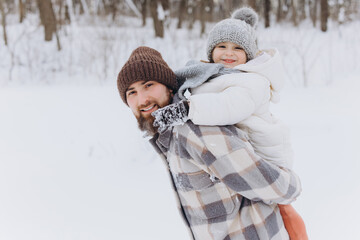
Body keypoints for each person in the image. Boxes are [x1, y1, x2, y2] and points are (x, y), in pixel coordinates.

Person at [151, 7, 308, 240]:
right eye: (222, 47)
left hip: (268, 153)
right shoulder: (216, 74)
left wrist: (186, 109)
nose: (229, 54)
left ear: (249, 55)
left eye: (237, 48)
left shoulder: (252, 81)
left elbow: (228, 106)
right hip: (244, 148)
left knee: (279, 207)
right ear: (211, 50)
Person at [117, 46, 302, 240]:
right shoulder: (169, 138)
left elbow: (281, 187)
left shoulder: (194, 133)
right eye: (132, 92)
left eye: (148, 85)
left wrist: (290, 187)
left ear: (168, 87)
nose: (142, 99)